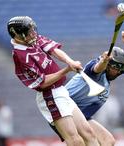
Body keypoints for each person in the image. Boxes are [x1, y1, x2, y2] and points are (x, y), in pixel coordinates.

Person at [7, 16, 100, 146]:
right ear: (17, 35)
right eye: (29, 32)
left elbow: (53, 50)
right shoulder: (21, 55)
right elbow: (43, 82)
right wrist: (66, 70)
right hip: (50, 96)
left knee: (89, 134)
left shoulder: (32, 40)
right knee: (75, 141)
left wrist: (70, 62)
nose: (33, 33)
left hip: (62, 91)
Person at [62, 30, 124, 146]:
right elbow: (98, 68)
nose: (116, 70)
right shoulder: (94, 70)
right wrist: (104, 61)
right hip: (64, 109)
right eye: (113, 67)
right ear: (108, 64)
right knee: (88, 138)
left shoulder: (115, 67)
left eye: (119, 68)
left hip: (83, 115)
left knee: (108, 141)